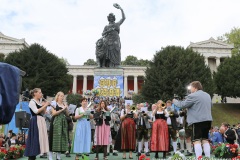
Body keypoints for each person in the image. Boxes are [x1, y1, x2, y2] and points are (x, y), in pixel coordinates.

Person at [173, 81, 212, 159]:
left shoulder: (193, 96)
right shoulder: (207, 95)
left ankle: (198, 158)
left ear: (195, 87)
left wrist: (175, 101)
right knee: (205, 139)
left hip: (197, 120)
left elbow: (182, 105)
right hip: (208, 120)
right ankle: (208, 157)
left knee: (196, 140)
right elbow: (211, 105)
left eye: (191, 88)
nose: (190, 90)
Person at [24, 88, 49, 160]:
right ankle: (31, 156)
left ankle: (34, 155)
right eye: (40, 92)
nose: (41, 94)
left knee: (39, 139)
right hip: (35, 121)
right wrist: (44, 105)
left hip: (40, 120)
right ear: (35, 93)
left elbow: (43, 113)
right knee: (35, 138)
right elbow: (36, 111)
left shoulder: (39, 102)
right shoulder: (32, 102)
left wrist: (45, 106)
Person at [102, 3, 126, 67]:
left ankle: (117, 64)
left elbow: (123, 18)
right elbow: (102, 34)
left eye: (112, 17)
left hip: (115, 39)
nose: (111, 18)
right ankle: (108, 65)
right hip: (108, 40)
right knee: (108, 53)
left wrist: (121, 9)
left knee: (117, 51)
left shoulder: (117, 24)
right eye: (110, 18)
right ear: (108, 19)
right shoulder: (106, 26)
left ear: (114, 18)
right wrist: (108, 31)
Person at [48, 92, 69, 160]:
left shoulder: (63, 104)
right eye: (61, 96)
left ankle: (58, 156)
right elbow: (54, 113)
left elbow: (67, 114)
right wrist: (62, 109)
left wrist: (66, 108)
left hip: (63, 122)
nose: (62, 97)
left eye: (63, 96)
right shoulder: (54, 103)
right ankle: (50, 156)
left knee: (61, 138)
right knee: (53, 138)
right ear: (57, 96)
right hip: (55, 122)